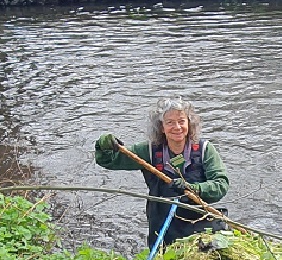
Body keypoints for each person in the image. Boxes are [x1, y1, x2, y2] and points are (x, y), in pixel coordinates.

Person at [95, 97, 230, 247]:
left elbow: (221, 185)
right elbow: (108, 160)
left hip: (201, 226)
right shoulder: (149, 151)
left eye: (181, 121)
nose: (177, 127)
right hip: (163, 227)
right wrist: (103, 145)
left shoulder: (205, 150)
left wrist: (194, 188)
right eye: (170, 122)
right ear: (161, 127)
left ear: (189, 124)